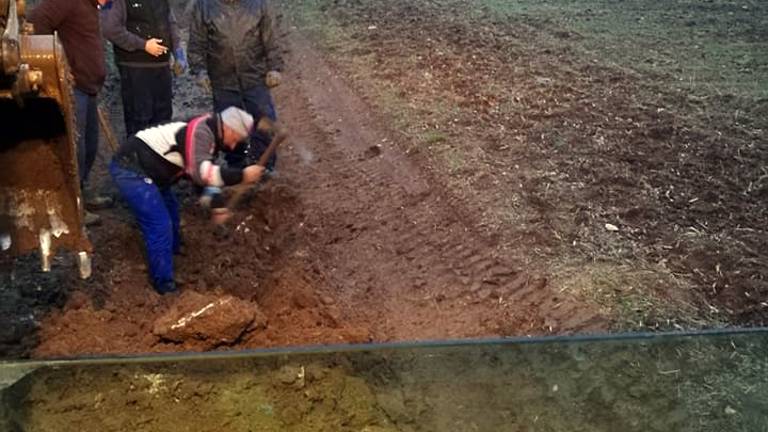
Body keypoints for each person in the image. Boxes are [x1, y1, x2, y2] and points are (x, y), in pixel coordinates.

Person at [109, 107, 264, 294]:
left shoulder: (211, 135)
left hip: (155, 172)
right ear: (229, 129)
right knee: (160, 225)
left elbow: (199, 180)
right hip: (132, 168)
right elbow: (202, 174)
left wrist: (216, 207)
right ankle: (164, 285)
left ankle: (172, 255)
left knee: (172, 211)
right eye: (235, 140)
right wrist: (242, 175)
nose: (232, 146)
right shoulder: (202, 133)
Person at [28, 0, 113, 225]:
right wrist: (57, 63)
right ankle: (73, 207)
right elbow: (37, 19)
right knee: (76, 150)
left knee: (90, 146)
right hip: (74, 89)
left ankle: (82, 194)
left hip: (88, 87)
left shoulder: (91, 7)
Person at [188, 0, 283, 174]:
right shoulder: (204, 6)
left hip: (254, 74)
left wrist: (275, 67)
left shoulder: (259, 4)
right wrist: (199, 71)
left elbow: (271, 38)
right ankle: (236, 167)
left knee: (264, 119)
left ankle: (265, 165)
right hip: (222, 78)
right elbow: (197, 42)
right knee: (229, 126)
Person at [100, 0, 186, 137]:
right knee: (140, 120)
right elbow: (110, 28)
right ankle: (138, 156)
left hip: (162, 67)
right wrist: (143, 45)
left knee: (163, 119)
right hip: (136, 68)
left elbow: (170, 22)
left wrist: (178, 51)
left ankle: (160, 156)